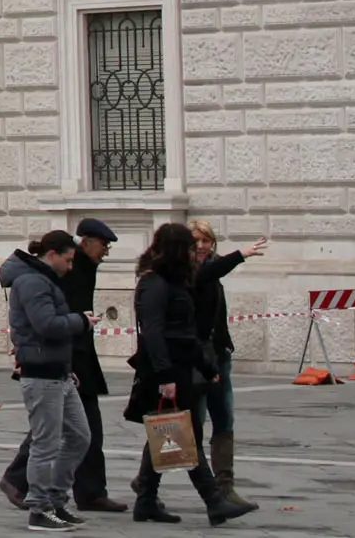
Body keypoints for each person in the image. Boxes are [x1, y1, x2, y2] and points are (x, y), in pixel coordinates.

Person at [122, 221, 254, 524]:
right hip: (169, 372)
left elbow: (186, 334)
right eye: (191, 248)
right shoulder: (154, 283)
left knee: (169, 432)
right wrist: (165, 377)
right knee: (185, 436)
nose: (196, 253)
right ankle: (213, 501)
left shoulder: (174, 282)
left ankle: (145, 500)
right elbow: (154, 335)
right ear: (177, 250)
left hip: (185, 368)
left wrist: (208, 368)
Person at [3, 219, 124, 514]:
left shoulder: (77, 267)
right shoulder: (53, 274)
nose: (106, 252)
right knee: (54, 431)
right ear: (86, 242)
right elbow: (46, 320)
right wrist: (79, 322)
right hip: (60, 359)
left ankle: (79, 492)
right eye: (103, 245)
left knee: (79, 430)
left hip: (71, 357)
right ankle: (32, 492)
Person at [3, 229, 93, 529]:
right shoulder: (31, 281)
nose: (70, 267)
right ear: (51, 255)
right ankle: (39, 508)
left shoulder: (44, 280)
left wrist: (66, 366)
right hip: (41, 374)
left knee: (80, 436)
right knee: (46, 443)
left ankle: (55, 499)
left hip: (57, 372)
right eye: (68, 260)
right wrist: (82, 320)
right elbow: (46, 325)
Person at [185, 221, 266, 498]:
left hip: (218, 354)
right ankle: (148, 481)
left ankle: (224, 485)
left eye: (205, 240)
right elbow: (206, 274)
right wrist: (240, 254)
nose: (201, 246)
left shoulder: (213, 268)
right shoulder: (187, 273)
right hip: (196, 358)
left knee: (223, 419)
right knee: (189, 426)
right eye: (195, 240)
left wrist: (226, 344)